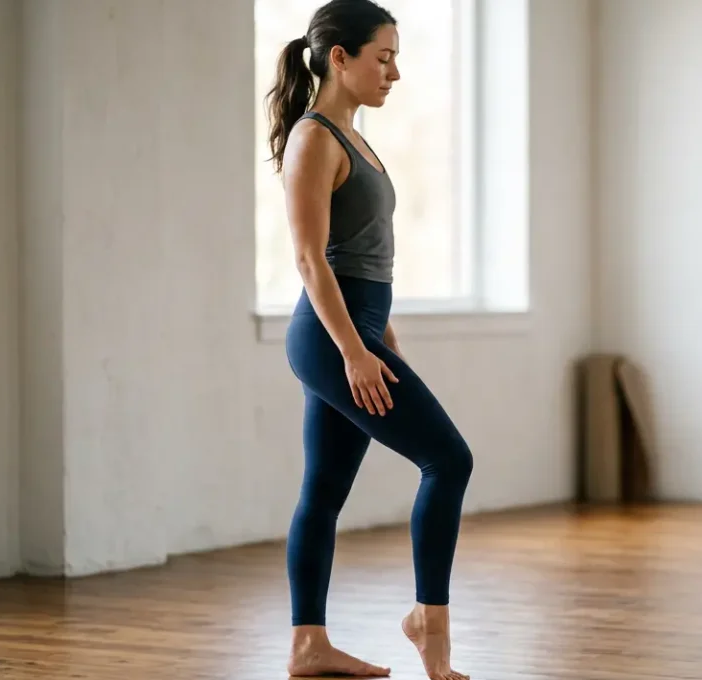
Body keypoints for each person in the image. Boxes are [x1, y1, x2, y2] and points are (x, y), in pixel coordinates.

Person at [263, 1, 473, 678]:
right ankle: (430, 629)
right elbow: (310, 259)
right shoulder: (314, 138)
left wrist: (384, 340)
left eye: (396, 58)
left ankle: (307, 645)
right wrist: (356, 352)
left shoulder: (354, 139)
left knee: (322, 491)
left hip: (356, 333)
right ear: (339, 58)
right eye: (383, 57)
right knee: (448, 460)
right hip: (330, 339)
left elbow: (367, 261)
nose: (395, 72)